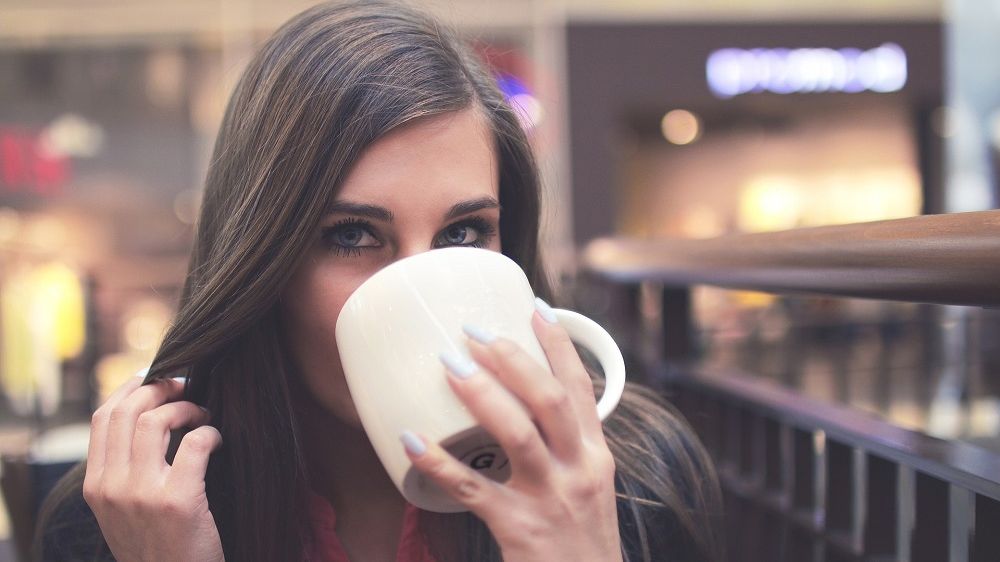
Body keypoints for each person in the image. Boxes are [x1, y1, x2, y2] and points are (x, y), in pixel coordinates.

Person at [36, 2, 723, 560]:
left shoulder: (635, 485)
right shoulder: (127, 519)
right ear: (262, 261)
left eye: (463, 233)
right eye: (351, 235)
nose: (419, 289)